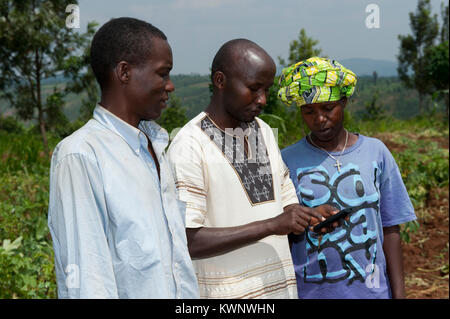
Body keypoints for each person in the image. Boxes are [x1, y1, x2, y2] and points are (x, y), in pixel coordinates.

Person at [167, 39, 336, 299]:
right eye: (254, 89)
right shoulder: (189, 145)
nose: (263, 100)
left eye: (266, 90)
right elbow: (188, 240)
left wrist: (307, 216)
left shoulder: (263, 131)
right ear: (220, 81)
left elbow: (285, 205)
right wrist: (272, 225)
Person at [47, 17, 199, 299]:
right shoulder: (81, 155)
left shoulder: (154, 146)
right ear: (125, 72)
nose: (170, 86)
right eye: (162, 74)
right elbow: (88, 277)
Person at [279, 57, 416, 299]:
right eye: (309, 111)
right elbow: (279, 230)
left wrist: (399, 294)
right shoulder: (286, 160)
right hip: (310, 293)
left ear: (344, 102)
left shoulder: (376, 152)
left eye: (328, 108)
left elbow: (390, 228)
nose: (319, 119)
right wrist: (305, 221)